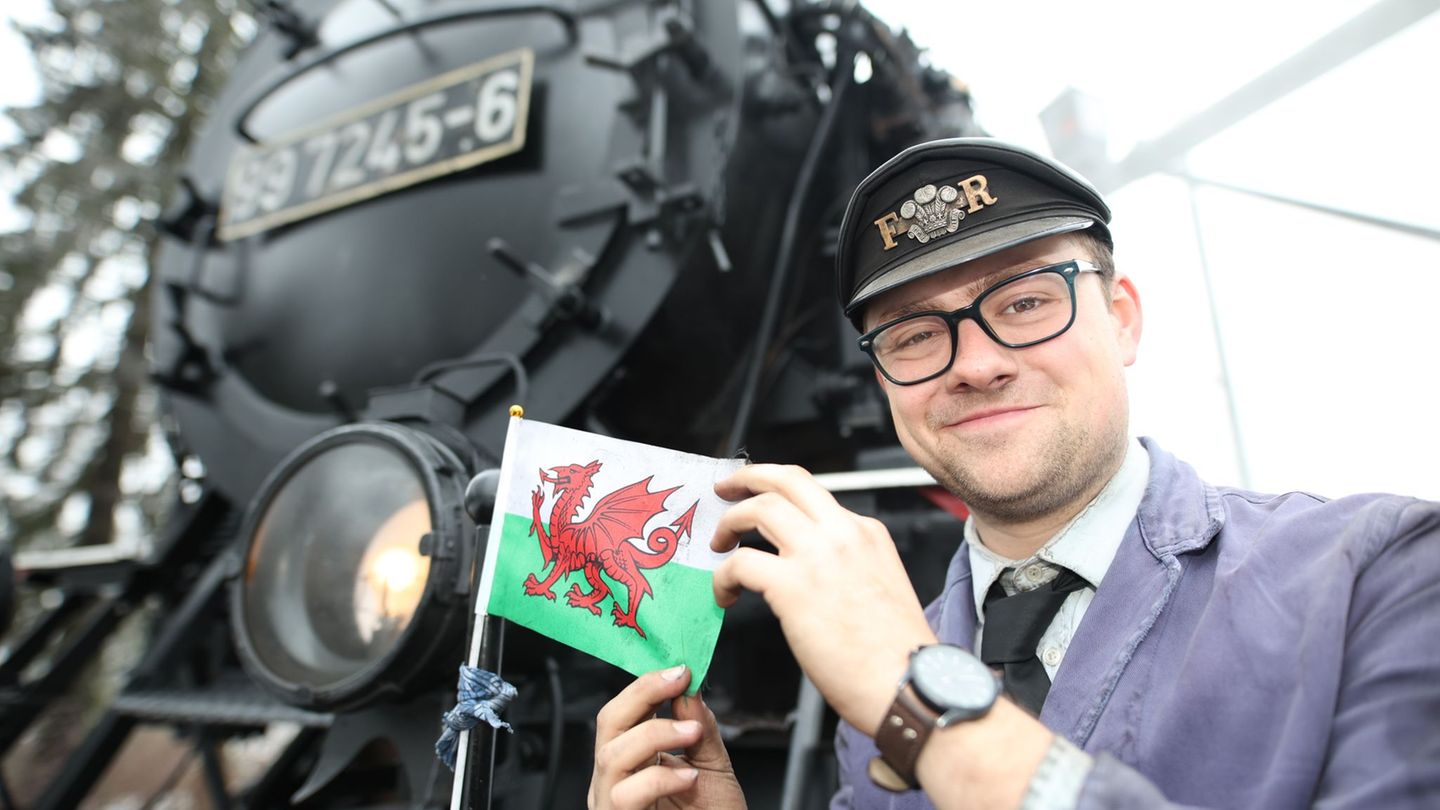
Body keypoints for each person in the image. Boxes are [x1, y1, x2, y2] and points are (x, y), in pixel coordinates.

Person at [586, 138, 1440, 809]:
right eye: (915, 333)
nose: (977, 363)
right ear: (883, 381)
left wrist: (924, 703)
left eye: (1026, 301)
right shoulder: (882, 656)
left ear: (1123, 319)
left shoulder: (1379, 575)